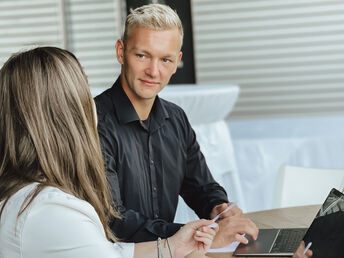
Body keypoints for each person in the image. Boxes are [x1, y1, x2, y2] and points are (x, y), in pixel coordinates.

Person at [0, 47, 218, 258]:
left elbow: (103, 252)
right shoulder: (52, 211)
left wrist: (171, 247)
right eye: (86, 93)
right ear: (71, 118)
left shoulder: (26, 195)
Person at [95, 3, 258, 248]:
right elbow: (113, 220)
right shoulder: (94, 121)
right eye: (142, 55)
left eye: (165, 59)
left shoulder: (176, 118)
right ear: (121, 51)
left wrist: (217, 207)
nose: (153, 71)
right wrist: (200, 234)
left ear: (177, 61)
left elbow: (201, 186)